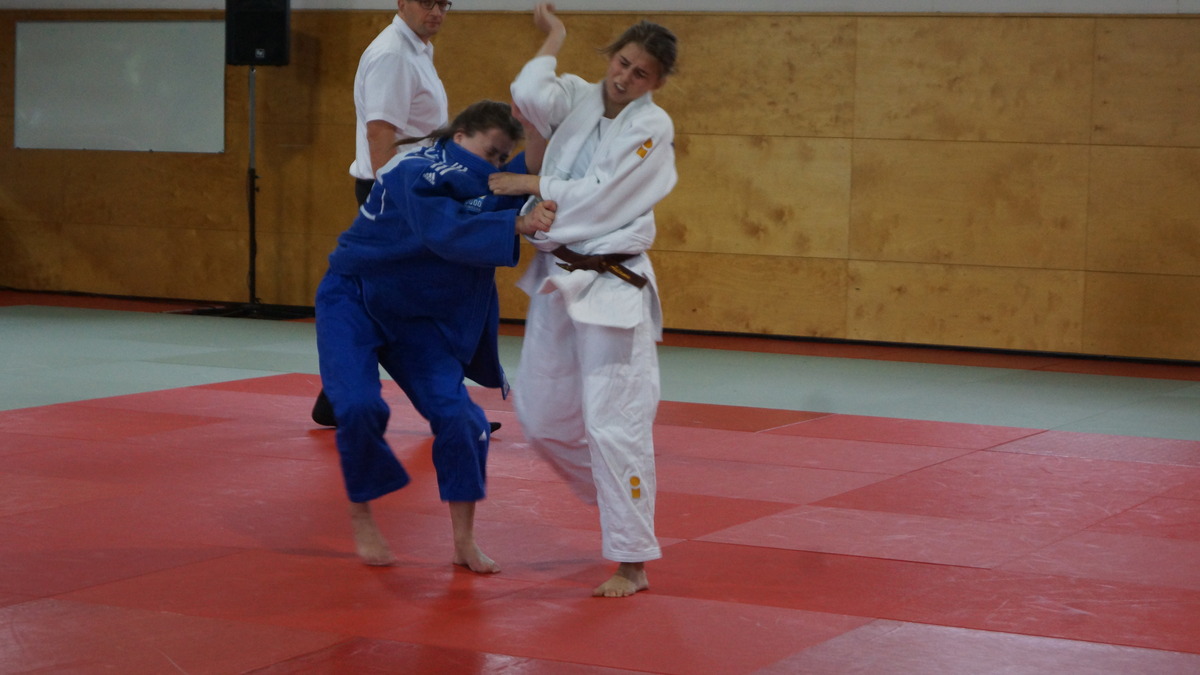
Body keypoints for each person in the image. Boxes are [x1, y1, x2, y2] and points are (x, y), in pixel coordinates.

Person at [315, 100, 556, 572]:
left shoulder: (490, 181)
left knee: (463, 420)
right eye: (490, 152)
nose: (495, 165)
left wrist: (538, 118)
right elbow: (441, 230)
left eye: (502, 157)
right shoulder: (413, 168)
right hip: (354, 298)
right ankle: (362, 513)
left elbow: (530, 164)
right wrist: (514, 222)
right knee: (359, 406)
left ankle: (464, 542)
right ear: (460, 136)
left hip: (418, 319)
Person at [489, 3, 679, 597]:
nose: (625, 78)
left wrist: (532, 183)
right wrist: (556, 34)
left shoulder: (653, 128)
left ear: (657, 82)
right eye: (622, 63)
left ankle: (632, 561)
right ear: (610, 57)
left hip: (614, 284)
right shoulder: (575, 95)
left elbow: (601, 199)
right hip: (558, 275)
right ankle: (623, 503)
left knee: (613, 425)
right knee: (541, 418)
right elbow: (527, 91)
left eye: (641, 73)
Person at [312, 0, 452, 427]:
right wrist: (393, 206)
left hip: (410, 192)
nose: (437, 11)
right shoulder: (393, 54)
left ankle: (337, 398)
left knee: (384, 304)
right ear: (402, 2)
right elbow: (380, 134)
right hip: (393, 195)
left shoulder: (416, 49)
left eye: (445, 3)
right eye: (428, 1)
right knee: (408, 305)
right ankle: (447, 410)